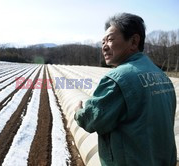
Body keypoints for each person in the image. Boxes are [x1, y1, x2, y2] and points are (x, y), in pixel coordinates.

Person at [74, 13, 177, 166]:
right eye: (103, 42)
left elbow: (92, 120)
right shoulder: (162, 76)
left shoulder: (118, 79)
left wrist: (78, 112)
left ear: (134, 41)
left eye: (110, 39)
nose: (104, 46)